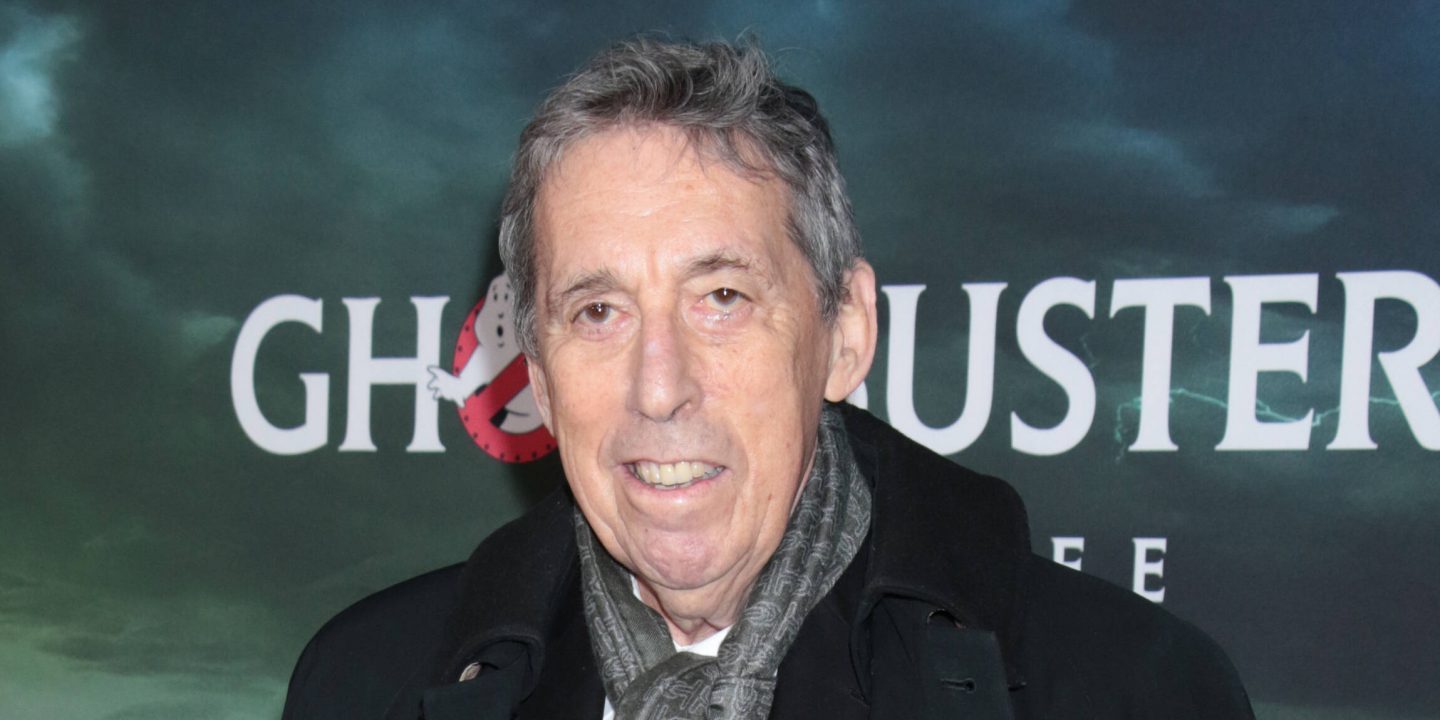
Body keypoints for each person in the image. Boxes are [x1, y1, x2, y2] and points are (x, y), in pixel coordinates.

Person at [283, 38, 1254, 720]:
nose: (658, 388)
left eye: (722, 298)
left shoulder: (1131, 693)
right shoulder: (364, 688)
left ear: (846, 333)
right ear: (536, 369)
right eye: (599, 312)